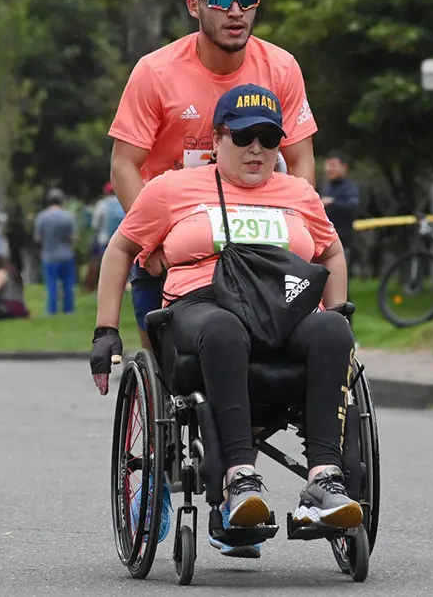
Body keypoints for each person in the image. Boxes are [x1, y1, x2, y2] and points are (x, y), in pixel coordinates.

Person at [91, 85, 360, 556]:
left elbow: (331, 250)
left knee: (334, 330)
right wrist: (105, 331)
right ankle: (239, 480)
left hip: (283, 309)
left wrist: (336, 308)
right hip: (200, 308)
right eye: (242, 136)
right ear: (216, 139)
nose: (257, 148)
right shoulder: (172, 189)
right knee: (224, 329)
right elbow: (121, 249)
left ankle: (323, 479)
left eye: (269, 138)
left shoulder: (298, 193)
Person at [108, 0, 319, 354]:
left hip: (257, 232)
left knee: (276, 366)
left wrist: (294, 225)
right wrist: (154, 241)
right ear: (194, 6)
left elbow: (301, 158)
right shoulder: (155, 72)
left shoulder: (282, 68)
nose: (235, 10)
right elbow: (124, 164)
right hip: (175, 236)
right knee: (169, 367)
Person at [34, 188, 77, 315]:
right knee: (68, 285)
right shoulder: (69, 216)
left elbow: (37, 238)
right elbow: (73, 237)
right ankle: (68, 309)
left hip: (49, 255)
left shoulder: (41, 217)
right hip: (66, 254)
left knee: (51, 284)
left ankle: (52, 310)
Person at [320, 150, 360, 276]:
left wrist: (333, 204)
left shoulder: (350, 188)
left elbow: (353, 207)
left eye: (333, 165)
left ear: (344, 167)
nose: (329, 169)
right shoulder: (326, 187)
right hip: (325, 241)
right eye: (328, 165)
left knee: (340, 277)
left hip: (343, 241)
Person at [86, 182, 126, 291]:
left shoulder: (102, 204)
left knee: (106, 264)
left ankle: (107, 287)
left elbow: (95, 224)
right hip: (124, 239)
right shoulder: (123, 201)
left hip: (105, 239)